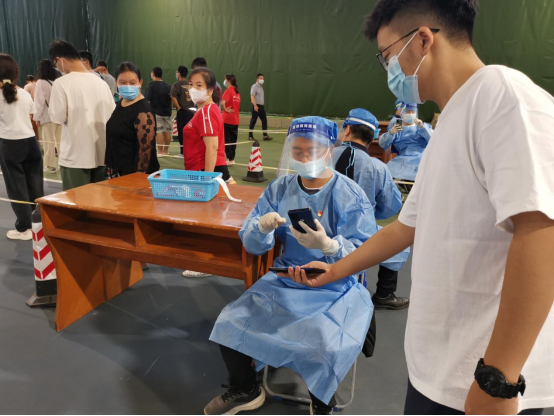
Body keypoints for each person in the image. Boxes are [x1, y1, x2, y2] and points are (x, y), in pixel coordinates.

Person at [300, 1, 554, 415]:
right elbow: (404, 227)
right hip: (439, 369)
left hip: (484, 380)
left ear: (422, 39)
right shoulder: (449, 121)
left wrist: (499, 380)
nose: (389, 71)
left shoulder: (503, 96)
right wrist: (335, 269)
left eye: (387, 57)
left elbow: (542, 232)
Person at [205, 116, 376, 416]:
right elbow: (252, 244)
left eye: (312, 151)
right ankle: (246, 388)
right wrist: (261, 228)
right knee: (230, 320)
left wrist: (331, 247)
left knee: (324, 340)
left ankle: (322, 401)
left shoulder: (349, 194)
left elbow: (366, 251)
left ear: (329, 150)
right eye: (297, 151)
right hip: (286, 278)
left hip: (336, 284)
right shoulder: (279, 189)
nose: (304, 158)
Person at [333, 108, 410, 310]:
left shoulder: (324, 156)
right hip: (357, 233)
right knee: (399, 243)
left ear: (347, 130)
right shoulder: (377, 167)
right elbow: (390, 206)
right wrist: (369, 213)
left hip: (317, 227)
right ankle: (385, 294)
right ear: (373, 137)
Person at [181, 67, 233, 279]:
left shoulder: (206, 112)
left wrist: (206, 180)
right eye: (191, 85)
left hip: (206, 171)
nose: (193, 89)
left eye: (199, 85)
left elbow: (212, 147)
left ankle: (206, 263)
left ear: (210, 90)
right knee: (210, 218)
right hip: (205, 170)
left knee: (207, 219)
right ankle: (207, 261)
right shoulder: (205, 110)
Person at [49, 39, 115, 191]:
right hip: (101, 155)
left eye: (56, 64)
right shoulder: (101, 83)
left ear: (59, 60)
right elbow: (111, 115)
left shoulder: (62, 83)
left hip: (75, 157)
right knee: (99, 202)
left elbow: (58, 117)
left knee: (75, 204)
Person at [0, 54, 44, 241]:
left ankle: (25, 228)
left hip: (10, 144)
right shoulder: (24, 93)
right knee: (35, 185)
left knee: (17, 188)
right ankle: (40, 225)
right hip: (31, 142)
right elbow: (32, 118)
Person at [105, 62, 159, 178]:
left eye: (132, 83)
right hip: (118, 171)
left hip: (133, 176)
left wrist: (136, 179)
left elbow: (145, 152)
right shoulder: (122, 102)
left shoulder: (143, 111)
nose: (128, 86)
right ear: (116, 82)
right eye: (122, 82)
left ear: (140, 83)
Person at [379, 103, 433, 181]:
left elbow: (434, 140)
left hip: (420, 160)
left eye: (413, 112)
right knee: (385, 174)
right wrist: (391, 133)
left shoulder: (422, 127)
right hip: (401, 161)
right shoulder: (397, 128)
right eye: (408, 112)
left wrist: (423, 127)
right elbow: (383, 144)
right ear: (401, 113)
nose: (411, 114)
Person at [33, 59, 62, 173]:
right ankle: (62, 164)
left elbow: (39, 101)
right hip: (59, 116)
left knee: (48, 142)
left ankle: (50, 166)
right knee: (60, 142)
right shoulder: (57, 81)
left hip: (48, 116)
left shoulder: (40, 82)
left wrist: (37, 117)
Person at [145, 67, 172, 156]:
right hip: (167, 112)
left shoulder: (151, 85)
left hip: (156, 112)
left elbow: (148, 101)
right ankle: (166, 151)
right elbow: (171, 99)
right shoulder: (168, 85)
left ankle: (160, 151)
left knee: (159, 131)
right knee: (167, 131)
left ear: (153, 74)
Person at [170, 65, 194, 159]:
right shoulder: (190, 84)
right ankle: (190, 151)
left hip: (183, 111)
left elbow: (172, 96)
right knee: (190, 132)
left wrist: (178, 107)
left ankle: (183, 153)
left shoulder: (177, 85)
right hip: (191, 112)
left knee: (182, 132)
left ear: (179, 74)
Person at [221, 74, 240, 165]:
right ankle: (232, 158)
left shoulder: (228, 91)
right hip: (235, 120)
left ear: (228, 81)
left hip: (227, 120)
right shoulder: (237, 92)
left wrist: (225, 109)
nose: (224, 81)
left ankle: (230, 158)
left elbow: (222, 102)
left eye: (225, 79)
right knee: (233, 140)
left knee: (227, 140)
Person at [248, 74, 273, 142]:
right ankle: (250, 136)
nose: (262, 80)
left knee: (264, 120)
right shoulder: (254, 86)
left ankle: (265, 135)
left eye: (263, 78)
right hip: (256, 106)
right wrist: (255, 106)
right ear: (257, 79)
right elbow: (252, 96)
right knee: (253, 121)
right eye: (261, 78)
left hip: (261, 107)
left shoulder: (261, 87)